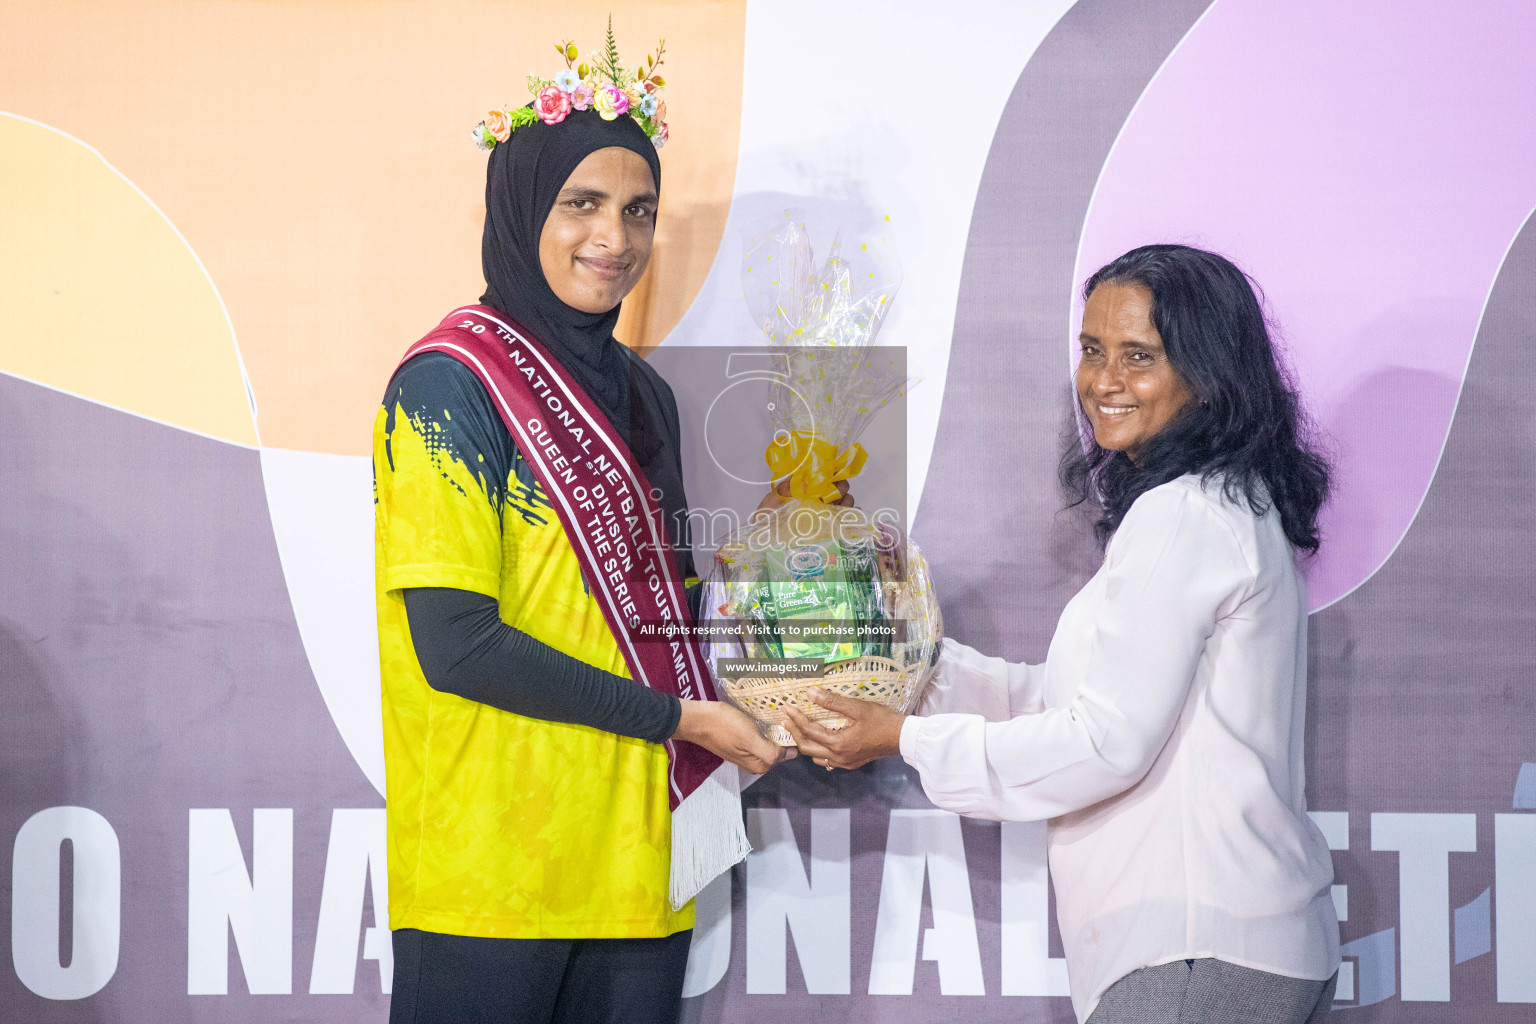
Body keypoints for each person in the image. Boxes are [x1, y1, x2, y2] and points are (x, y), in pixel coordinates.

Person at [785, 244, 1341, 1023]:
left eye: (1139, 357)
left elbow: (1103, 742)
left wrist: (902, 742)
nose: (1104, 382)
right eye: (1092, 350)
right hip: (1222, 945)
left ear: (1208, 374)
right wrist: (911, 655)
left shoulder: (1183, 515)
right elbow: (1064, 699)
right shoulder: (1218, 504)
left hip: (1195, 949)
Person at [371, 95, 792, 1023]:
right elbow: (459, 646)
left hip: (639, 874)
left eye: (639, 209)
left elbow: (665, 610)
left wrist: (795, 656)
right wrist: (683, 717)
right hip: (490, 877)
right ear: (523, 212)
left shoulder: (645, 397)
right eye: (583, 203)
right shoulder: (448, 387)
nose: (616, 236)